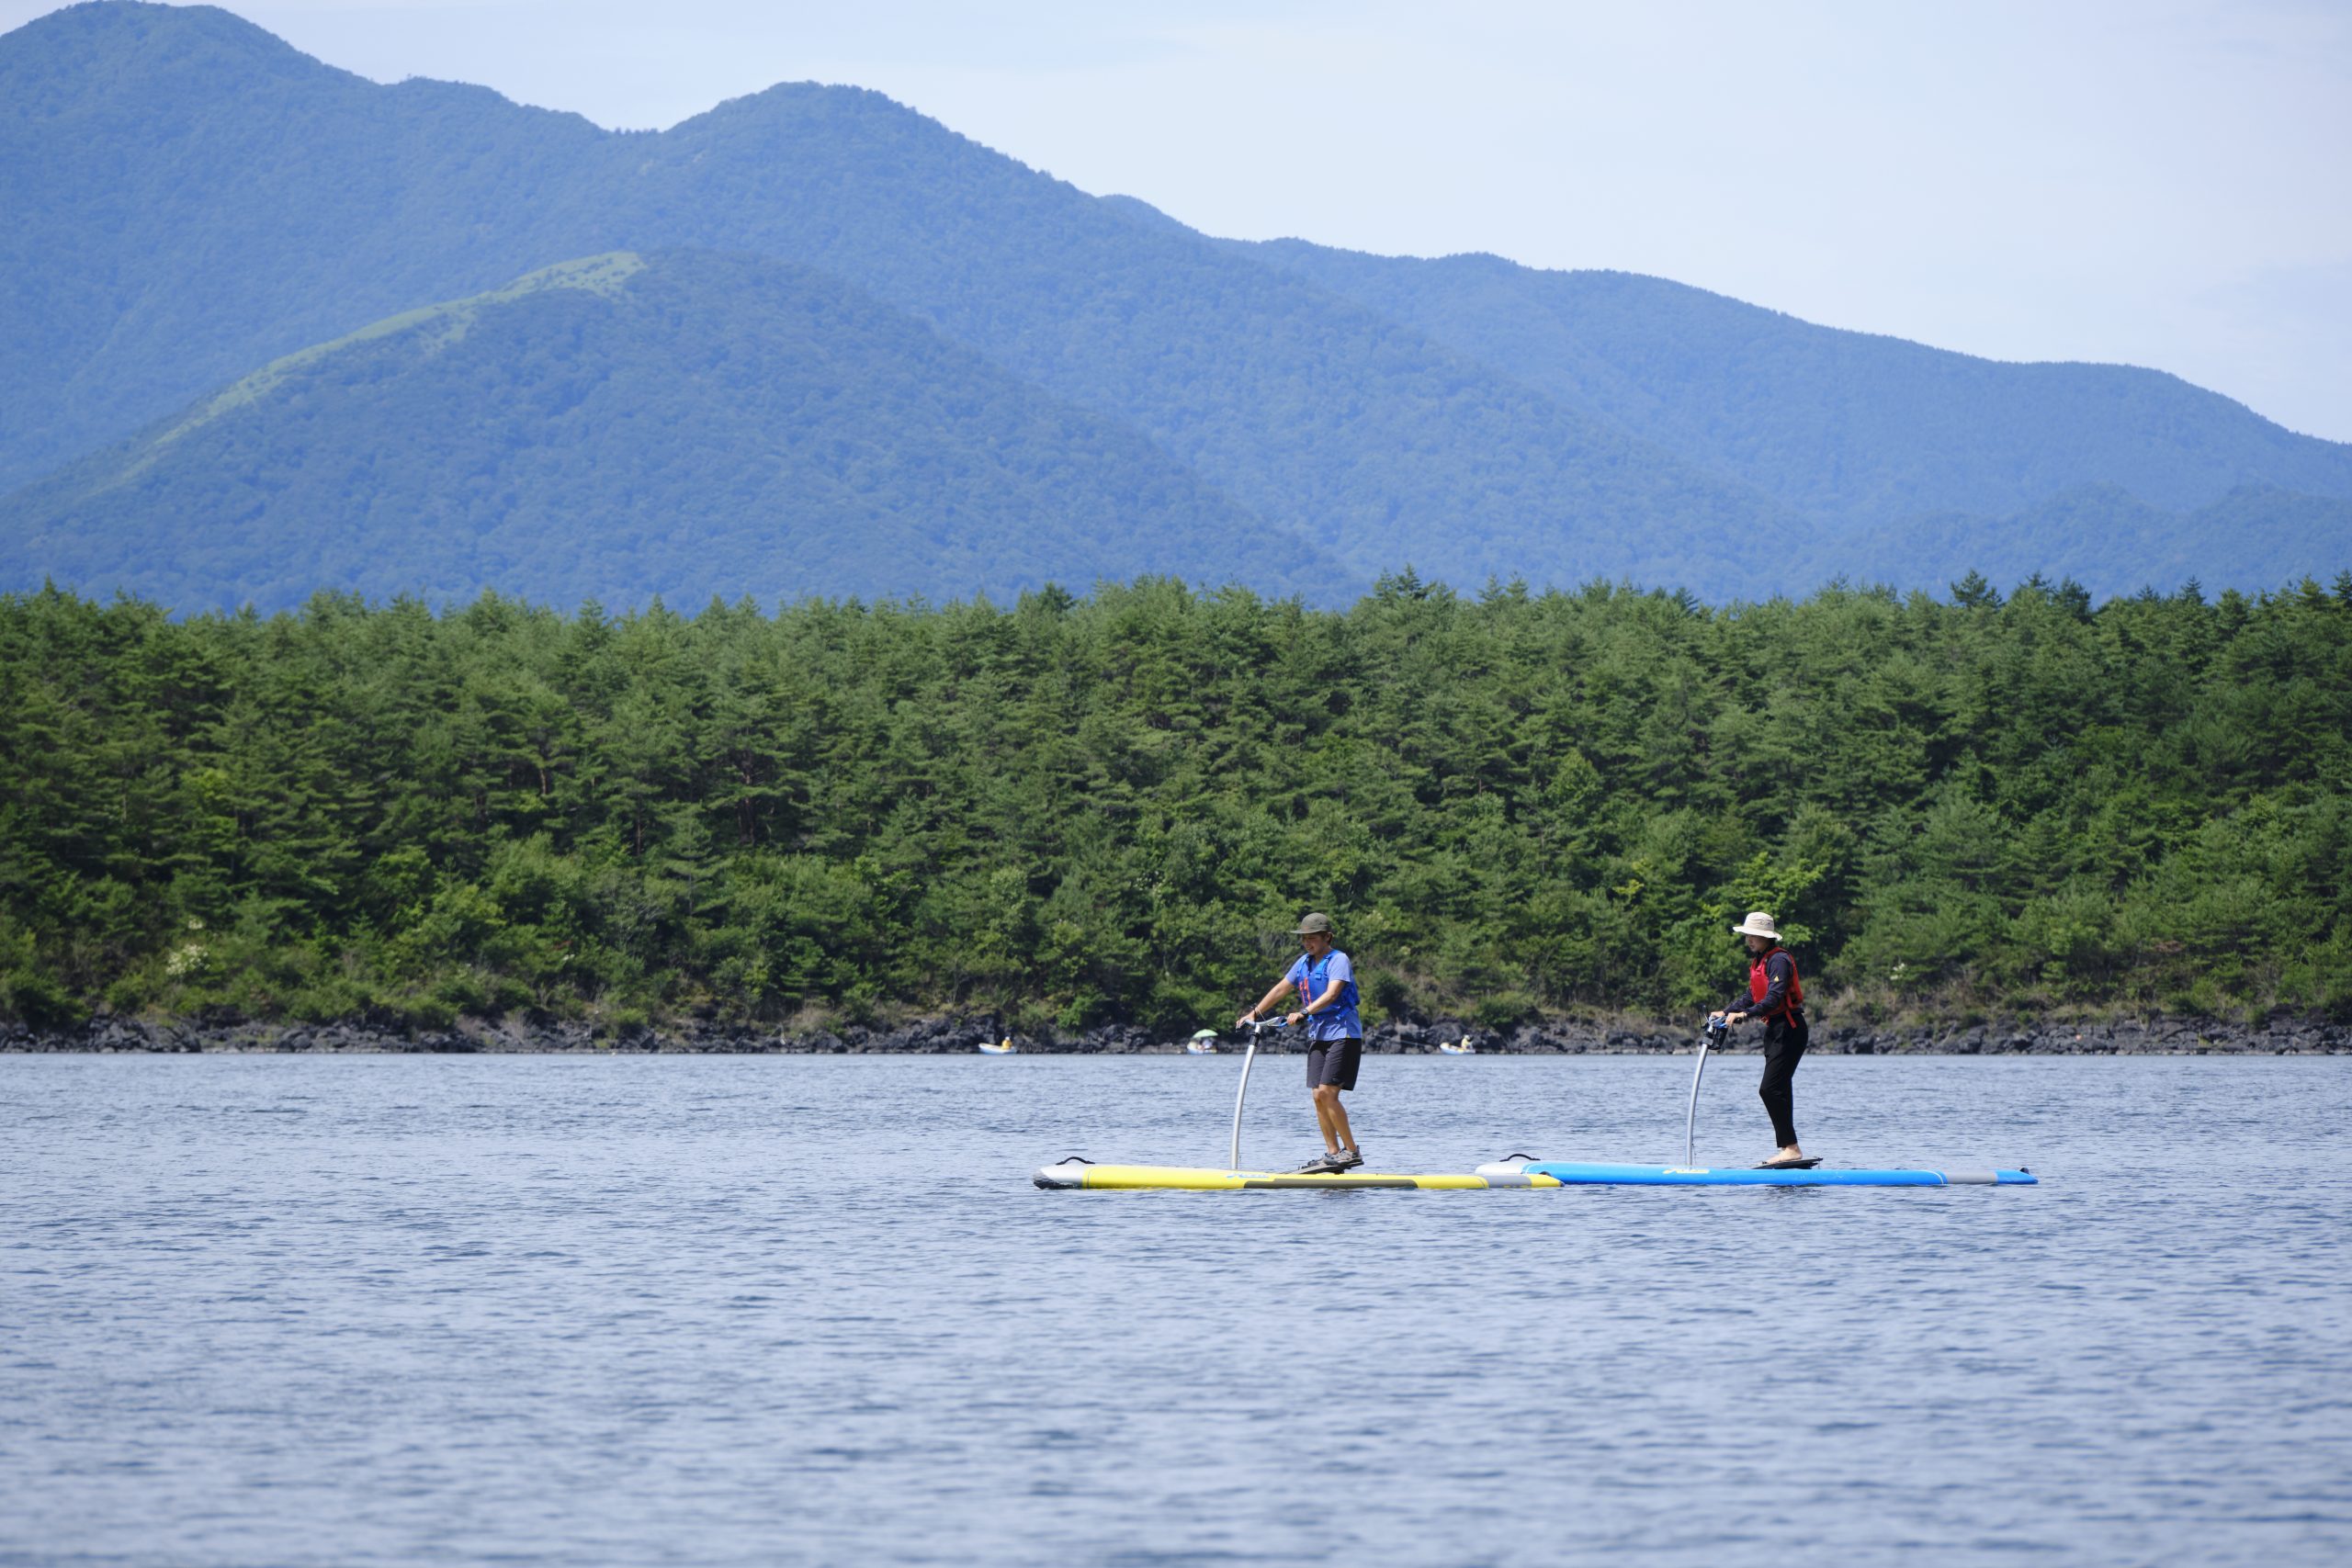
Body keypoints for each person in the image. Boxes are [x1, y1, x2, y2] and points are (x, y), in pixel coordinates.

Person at [1238, 912, 1364, 1172]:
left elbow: (1332, 994)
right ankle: (1332, 1153)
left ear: (1327, 937)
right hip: (1319, 1034)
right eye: (1305, 939)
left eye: (1313, 939)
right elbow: (1279, 989)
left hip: (1344, 1034)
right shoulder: (1303, 963)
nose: (1308, 943)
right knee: (1317, 1095)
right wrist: (1255, 1013)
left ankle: (1351, 1151)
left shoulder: (1338, 960)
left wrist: (1305, 1012)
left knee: (1329, 1092)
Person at [1708, 911, 1811, 1168]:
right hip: (1775, 1030)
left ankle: (1790, 1149)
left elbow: (1774, 998)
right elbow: (1752, 995)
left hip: (1790, 1028)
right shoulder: (1760, 961)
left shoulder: (1779, 960)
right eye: (1747, 935)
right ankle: (1790, 1148)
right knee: (1778, 1088)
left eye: (1753, 935)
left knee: (1770, 1088)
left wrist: (1745, 1014)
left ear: (1767, 937)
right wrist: (1728, 1011)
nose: (1749, 940)